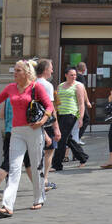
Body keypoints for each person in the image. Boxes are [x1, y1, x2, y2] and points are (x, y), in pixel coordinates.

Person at [0, 60, 53, 217]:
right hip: (16, 131)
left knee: (36, 166)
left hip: (34, 130)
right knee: (14, 168)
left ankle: (39, 198)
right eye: (14, 70)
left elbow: (49, 106)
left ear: (27, 73)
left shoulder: (36, 87)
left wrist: (43, 121)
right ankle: (7, 206)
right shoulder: (10, 88)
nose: (15, 73)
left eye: (18, 70)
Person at [52, 66, 89, 169]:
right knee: (68, 138)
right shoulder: (60, 86)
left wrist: (80, 117)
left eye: (75, 75)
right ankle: (83, 157)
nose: (74, 77)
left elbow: (81, 103)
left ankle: (57, 164)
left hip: (71, 113)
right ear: (66, 75)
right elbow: (56, 101)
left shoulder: (78, 86)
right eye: (71, 75)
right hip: (60, 113)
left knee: (61, 138)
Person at [35, 59, 64, 188]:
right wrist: (56, 128)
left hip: (33, 121)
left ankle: (38, 179)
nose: (52, 70)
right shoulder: (47, 85)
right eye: (51, 68)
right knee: (49, 151)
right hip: (46, 122)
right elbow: (51, 107)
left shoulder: (32, 83)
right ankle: (44, 180)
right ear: (45, 70)